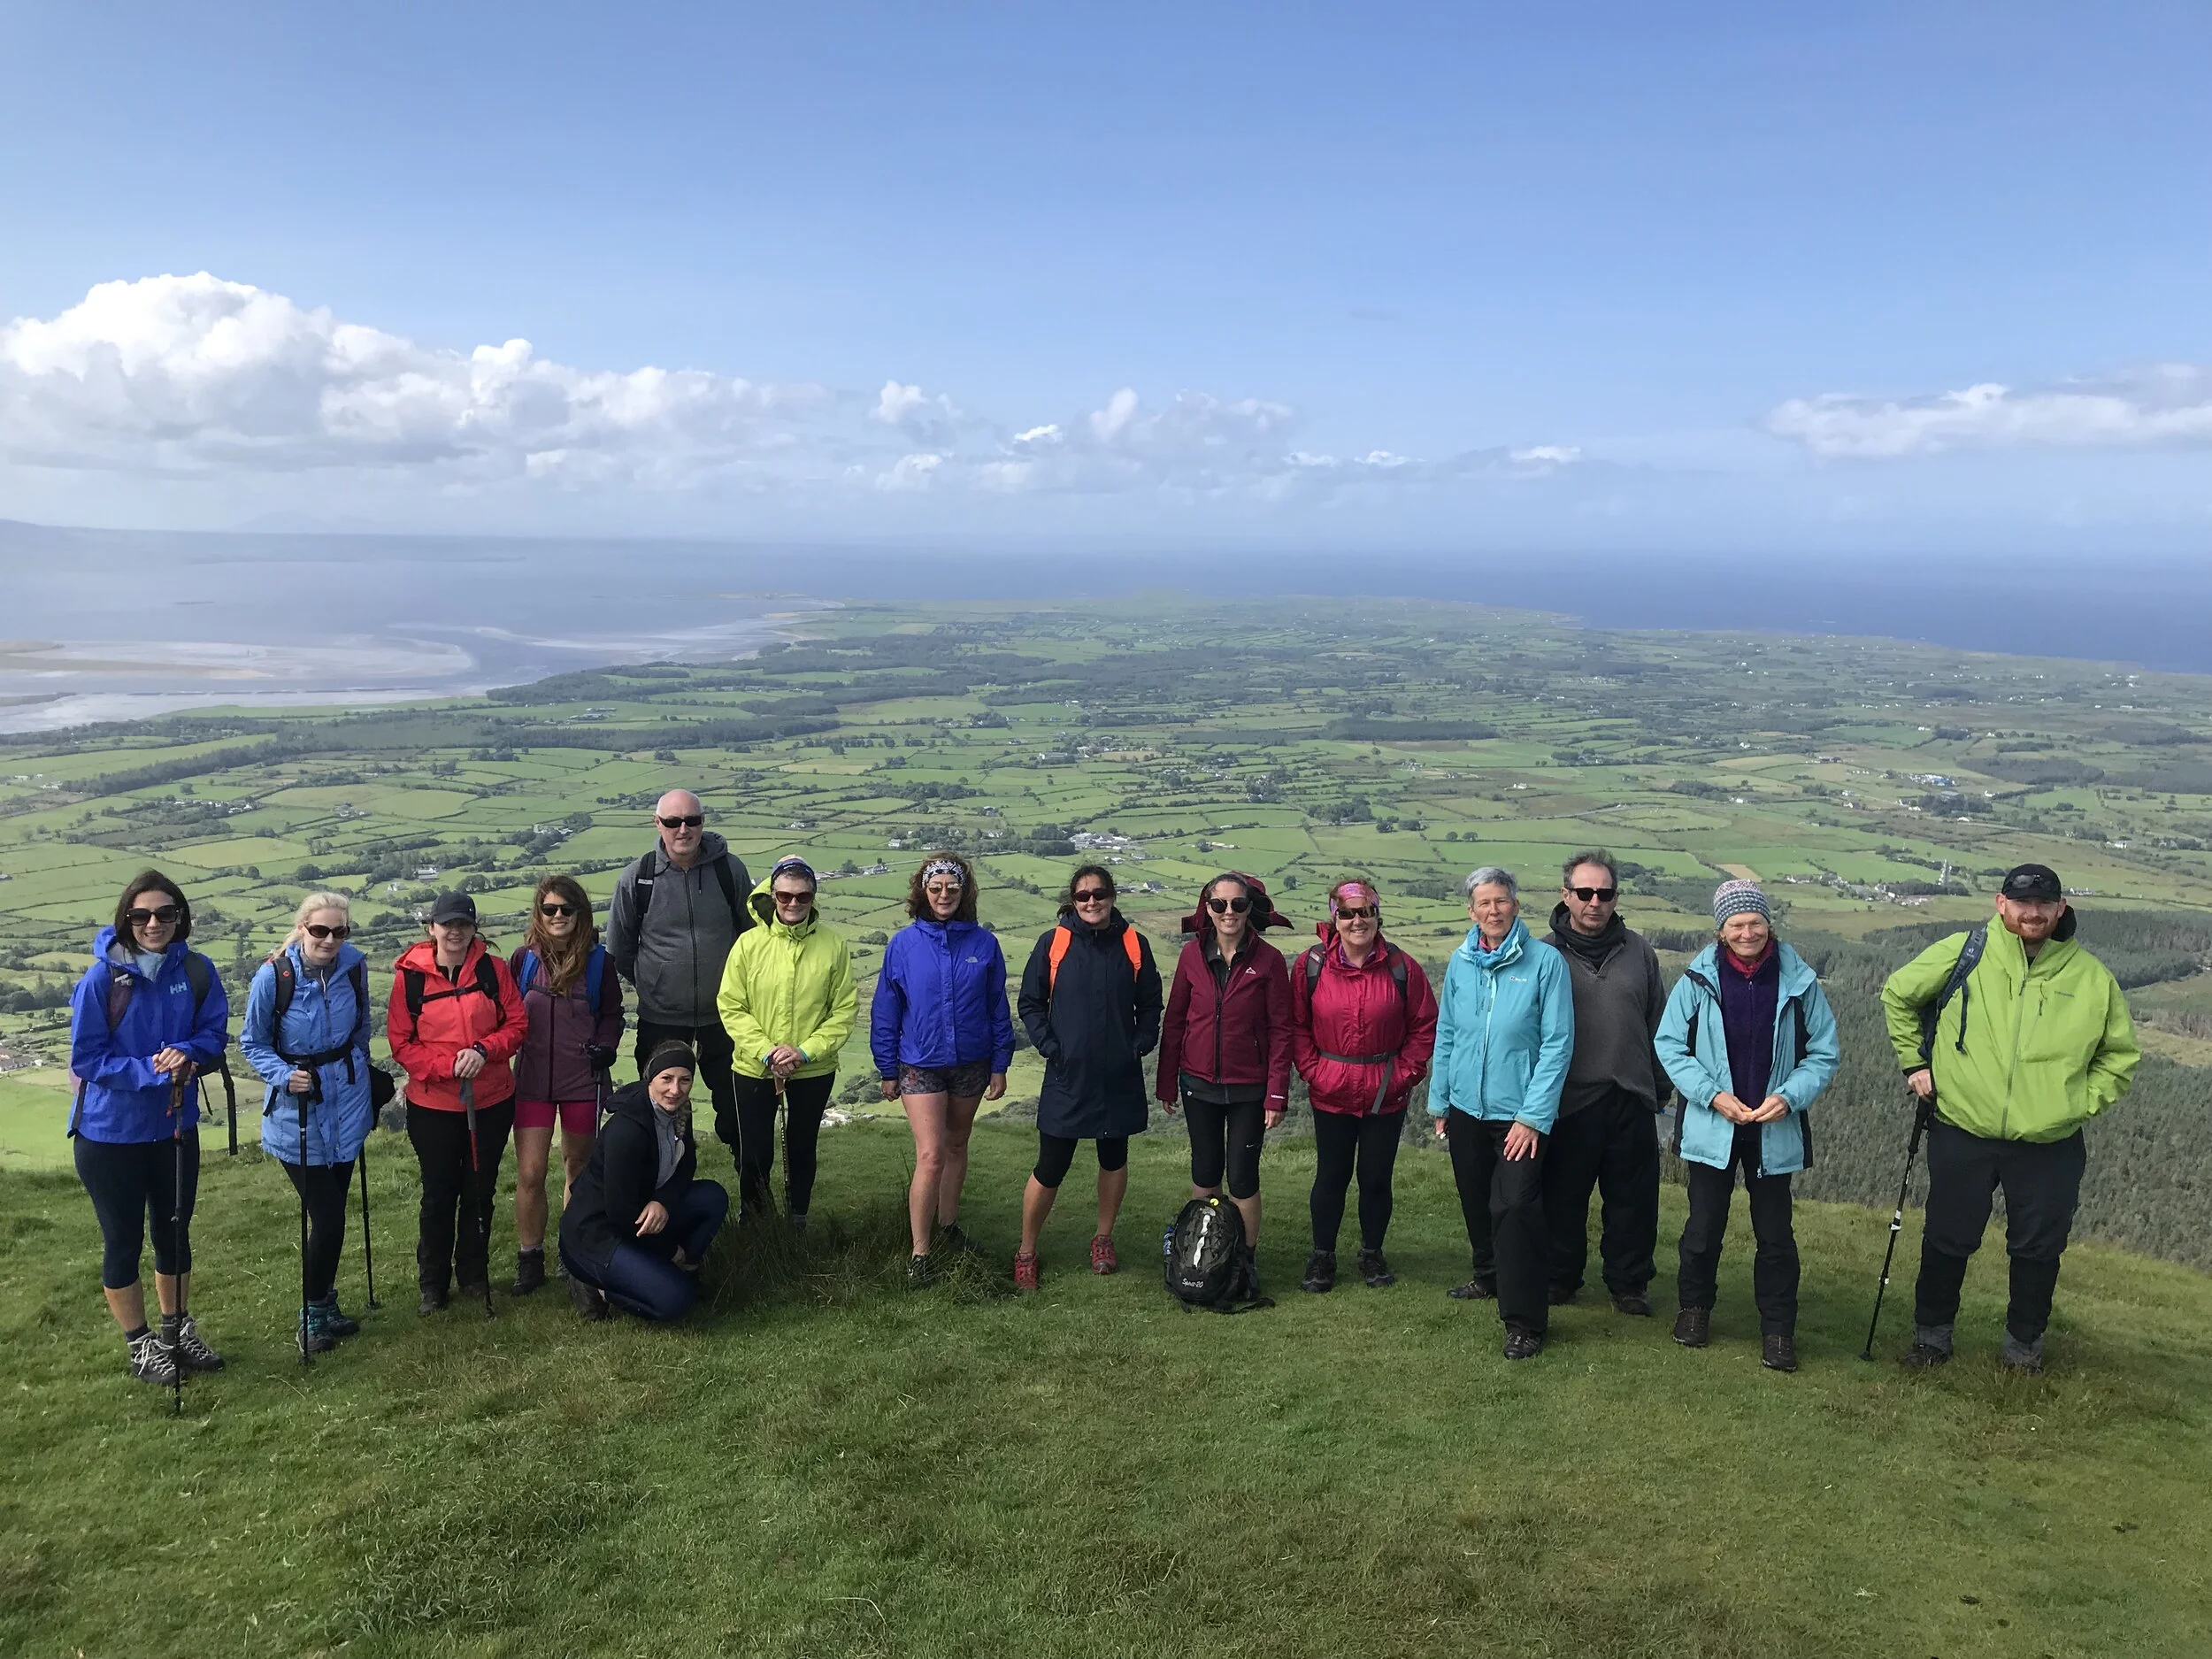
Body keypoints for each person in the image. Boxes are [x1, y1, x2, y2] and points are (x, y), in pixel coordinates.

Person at [1880, 863, 2139, 1374]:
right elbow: (1898, 994)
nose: (2034, 913)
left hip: (2050, 1143)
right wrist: (1915, 1064)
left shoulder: (2091, 978)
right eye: (2023, 903)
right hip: (1962, 1127)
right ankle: (1931, 1339)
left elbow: (2119, 1056)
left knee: (2038, 1250)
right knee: (1947, 1239)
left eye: (2044, 904)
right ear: (2002, 904)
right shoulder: (1966, 953)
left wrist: (2077, 1104)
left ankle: (2023, 1350)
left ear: (2061, 908)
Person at [1655, 879, 1839, 1373]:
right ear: (1720, 930)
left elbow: (1823, 1052)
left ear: (1768, 924)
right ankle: (1694, 1311)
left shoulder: (1799, 981)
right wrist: (1713, 1096)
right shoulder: (1697, 980)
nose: (1747, 932)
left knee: (1775, 1235)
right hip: (1714, 1123)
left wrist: (1788, 1096)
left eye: (1754, 922)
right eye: (1736, 924)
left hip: (1773, 1126)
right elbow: (1670, 1044)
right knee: (1702, 1228)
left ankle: (1778, 1331)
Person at [67, 871, 230, 1386]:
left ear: (180, 918)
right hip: (109, 1135)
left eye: (165, 914)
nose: (153, 923)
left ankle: (176, 1331)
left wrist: (190, 1054)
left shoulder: (197, 970)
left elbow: (214, 1033)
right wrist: (149, 1070)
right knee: (122, 1241)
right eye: (141, 915)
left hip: (173, 1127)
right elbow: (87, 1059)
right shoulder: (101, 979)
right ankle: (141, 1346)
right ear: (127, 919)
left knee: (174, 1234)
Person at [1427, 867, 1572, 1361]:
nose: (1493, 910)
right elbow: (1447, 1034)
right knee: (1476, 1201)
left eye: (1502, 901)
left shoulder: (1545, 962)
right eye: (1484, 903)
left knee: (1514, 1207)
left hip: (1520, 1114)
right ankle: (1487, 1277)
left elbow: (1557, 1045)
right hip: (1467, 1107)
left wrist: (1533, 1118)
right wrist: (1440, 1101)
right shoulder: (1461, 962)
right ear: (1471, 911)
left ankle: (1524, 1321)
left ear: (1516, 905)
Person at [1013, 865, 1164, 1288]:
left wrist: (1139, 1044)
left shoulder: (1135, 944)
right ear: (1073, 901)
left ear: (1112, 896)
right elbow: (1030, 1003)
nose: (1092, 902)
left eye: (1099, 894)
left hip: (1118, 1074)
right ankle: (1026, 1249)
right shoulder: (1054, 943)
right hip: (1067, 1076)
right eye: (1083, 896)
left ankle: (1103, 1238)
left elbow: (1151, 1003)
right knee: (1050, 1165)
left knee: (1113, 1158)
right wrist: (1050, 1048)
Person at [240, 891, 374, 1353]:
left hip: (347, 1104)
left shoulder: (354, 968)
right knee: (330, 1216)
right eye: (320, 930)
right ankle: (312, 1315)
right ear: (302, 928)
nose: (330, 939)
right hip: (297, 1109)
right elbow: (252, 1042)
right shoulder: (273, 977)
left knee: (332, 1214)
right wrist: (283, 1075)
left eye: (340, 931)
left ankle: (326, 1305)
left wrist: (364, 1078)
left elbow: (362, 1029)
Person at [870, 853, 1013, 1282]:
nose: (944, 895)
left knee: (956, 1146)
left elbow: (996, 1008)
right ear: (923, 892)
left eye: (952, 888)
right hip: (920, 1062)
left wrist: (1000, 1063)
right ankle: (920, 1254)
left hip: (972, 1062)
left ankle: (949, 1228)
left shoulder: (984, 945)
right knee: (931, 1155)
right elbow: (886, 1009)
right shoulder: (903, 944)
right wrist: (886, 1068)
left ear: (964, 892)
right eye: (935, 888)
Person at [1294, 878, 1439, 1298]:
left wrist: (1404, 1076)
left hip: (1385, 1093)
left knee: (1376, 1178)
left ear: (1378, 915)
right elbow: (1297, 1026)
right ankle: (1323, 1255)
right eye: (1348, 913)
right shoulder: (1311, 965)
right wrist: (1314, 1072)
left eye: (1366, 912)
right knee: (1331, 1177)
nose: (1358, 921)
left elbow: (1424, 1026)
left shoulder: (1401, 967)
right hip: (1331, 1090)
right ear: (1333, 917)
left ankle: (1371, 1252)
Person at [388, 891, 530, 1314]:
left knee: (480, 1190)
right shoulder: (409, 977)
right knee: (438, 1194)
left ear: (474, 928)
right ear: (431, 928)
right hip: (434, 1106)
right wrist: (447, 1066)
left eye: (463, 924)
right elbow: (401, 1043)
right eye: (447, 924)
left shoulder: (493, 969)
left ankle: (473, 1274)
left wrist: (484, 1050)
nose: (455, 931)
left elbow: (517, 1023)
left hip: (490, 1101)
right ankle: (433, 1284)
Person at [1541, 850, 1669, 1316]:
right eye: (1584, 892)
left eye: (1604, 893)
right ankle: (1560, 1278)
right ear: (1566, 895)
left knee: (1633, 1201)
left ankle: (1629, 1284)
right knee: (1563, 1197)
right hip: (1568, 1099)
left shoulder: (1640, 952)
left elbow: (1657, 1023)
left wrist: (1659, 1087)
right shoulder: (1543, 954)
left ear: (1615, 897)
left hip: (1631, 1096)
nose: (1594, 902)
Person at [605, 789, 754, 1169]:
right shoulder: (638, 878)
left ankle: (756, 1203)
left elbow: (752, 937)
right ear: (658, 825)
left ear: (703, 822)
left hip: (726, 1016)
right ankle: (657, 1199)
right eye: (673, 822)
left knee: (739, 1111)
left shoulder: (729, 870)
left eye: (692, 820)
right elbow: (620, 949)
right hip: (661, 1019)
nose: (683, 829)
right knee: (656, 1114)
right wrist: (653, 985)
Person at [1155, 872, 1294, 1259]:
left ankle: (1243, 1260)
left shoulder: (1269, 960)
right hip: (1197, 1082)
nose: (1228, 912)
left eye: (1237, 904)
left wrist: (1276, 1092)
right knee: (1205, 1172)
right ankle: (1204, 1254)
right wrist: (1167, 1082)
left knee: (1243, 1178)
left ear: (1250, 909)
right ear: (1208, 910)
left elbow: (1282, 1030)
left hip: (1250, 1086)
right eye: (1219, 905)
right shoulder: (1190, 956)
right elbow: (1177, 1020)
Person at [715, 857, 857, 1231]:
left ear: (813, 897)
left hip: (813, 1066)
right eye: (784, 896)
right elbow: (731, 1004)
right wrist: (768, 1051)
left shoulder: (833, 945)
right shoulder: (748, 945)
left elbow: (843, 1009)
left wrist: (804, 1050)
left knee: (801, 1147)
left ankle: (797, 1221)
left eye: (803, 896)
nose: (793, 904)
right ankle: (755, 1221)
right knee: (755, 1151)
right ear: (772, 895)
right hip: (753, 1066)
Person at [508, 873, 625, 1294]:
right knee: (531, 1172)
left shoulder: (599, 963)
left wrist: (606, 1046)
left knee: (577, 1169)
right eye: (549, 909)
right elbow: (507, 1014)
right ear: (539, 913)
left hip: (583, 1079)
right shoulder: (523, 961)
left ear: (580, 914)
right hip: (532, 1081)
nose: (557, 916)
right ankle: (530, 1257)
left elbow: (612, 1014)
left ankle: (571, 1253)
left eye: (566, 910)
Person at [559, 1041, 730, 1323]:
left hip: (641, 1214)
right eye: (667, 1079)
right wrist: (668, 1249)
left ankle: (680, 1270)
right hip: (597, 1233)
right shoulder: (628, 1130)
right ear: (651, 1078)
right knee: (676, 1301)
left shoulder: (678, 1114)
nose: (676, 1090)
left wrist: (662, 1200)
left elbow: (686, 1167)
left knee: (712, 1197)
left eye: (684, 1080)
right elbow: (621, 1214)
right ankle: (596, 1287)